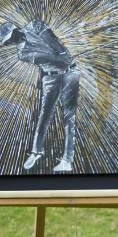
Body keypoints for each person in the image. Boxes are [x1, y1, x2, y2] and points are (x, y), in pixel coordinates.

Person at [1, 19, 80, 173]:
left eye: (11, 38)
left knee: (69, 117)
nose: (11, 42)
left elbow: (54, 42)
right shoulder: (22, 53)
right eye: (8, 41)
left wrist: (64, 55)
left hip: (71, 73)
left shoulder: (35, 25)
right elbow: (49, 59)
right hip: (51, 78)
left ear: (15, 31)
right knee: (45, 115)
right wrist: (62, 58)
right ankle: (36, 152)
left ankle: (67, 160)